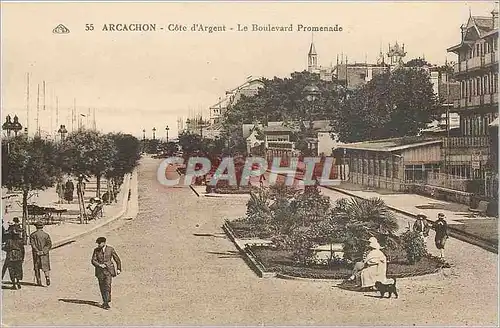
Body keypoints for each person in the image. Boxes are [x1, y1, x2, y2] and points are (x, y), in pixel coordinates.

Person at [91, 237, 122, 310]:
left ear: (104, 243)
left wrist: (118, 268)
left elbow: (117, 259)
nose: (98, 245)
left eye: (99, 243)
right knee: (102, 287)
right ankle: (105, 301)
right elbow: (93, 260)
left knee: (108, 286)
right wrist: (99, 265)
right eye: (98, 243)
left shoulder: (110, 249)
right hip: (100, 271)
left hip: (109, 271)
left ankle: (106, 301)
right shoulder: (96, 250)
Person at [29, 221, 52, 286]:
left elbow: (33, 245)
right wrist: (44, 251)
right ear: (42, 227)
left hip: (36, 254)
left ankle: (39, 282)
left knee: (36, 268)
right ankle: (47, 277)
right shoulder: (46, 235)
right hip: (44, 254)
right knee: (46, 267)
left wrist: (37, 251)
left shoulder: (32, 235)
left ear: (36, 227)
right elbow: (49, 245)